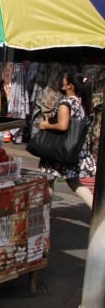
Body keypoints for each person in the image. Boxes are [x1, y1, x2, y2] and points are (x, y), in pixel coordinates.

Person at [37, 72, 96, 209]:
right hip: (72, 149)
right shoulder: (81, 104)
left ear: (70, 86)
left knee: (49, 180)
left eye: (64, 81)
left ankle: (45, 213)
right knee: (74, 182)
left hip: (59, 149)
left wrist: (46, 125)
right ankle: (98, 210)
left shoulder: (66, 103)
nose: (62, 82)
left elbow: (62, 125)